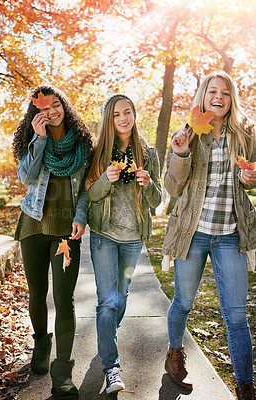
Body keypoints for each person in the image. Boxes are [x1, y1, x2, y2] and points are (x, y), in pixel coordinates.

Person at [162, 71, 256, 399]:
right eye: (212, 91)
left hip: (231, 234)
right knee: (184, 301)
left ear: (232, 99)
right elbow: (172, 187)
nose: (218, 97)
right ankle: (174, 354)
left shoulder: (245, 134)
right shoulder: (187, 134)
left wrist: (250, 178)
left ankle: (245, 386)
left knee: (236, 314)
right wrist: (181, 154)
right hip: (193, 233)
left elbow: (250, 178)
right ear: (202, 96)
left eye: (225, 93)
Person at [12, 84, 92, 400]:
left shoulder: (84, 145)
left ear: (64, 106)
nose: (51, 112)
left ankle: (62, 374)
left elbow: (85, 188)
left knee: (63, 299)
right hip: (33, 225)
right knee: (37, 292)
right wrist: (40, 139)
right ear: (35, 113)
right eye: (42, 108)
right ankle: (41, 343)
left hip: (65, 232)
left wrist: (81, 217)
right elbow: (26, 177)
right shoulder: (34, 140)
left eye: (55, 104)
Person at [85, 94, 162, 394]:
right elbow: (91, 195)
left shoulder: (148, 153)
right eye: (116, 114)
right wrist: (105, 178)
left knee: (122, 296)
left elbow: (157, 202)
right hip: (104, 235)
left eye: (127, 112)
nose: (122, 118)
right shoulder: (99, 152)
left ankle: (108, 337)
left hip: (133, 239)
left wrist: (149, 184)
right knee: (107, 302)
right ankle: (111, 368)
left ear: (134, 114)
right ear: (110, 119)